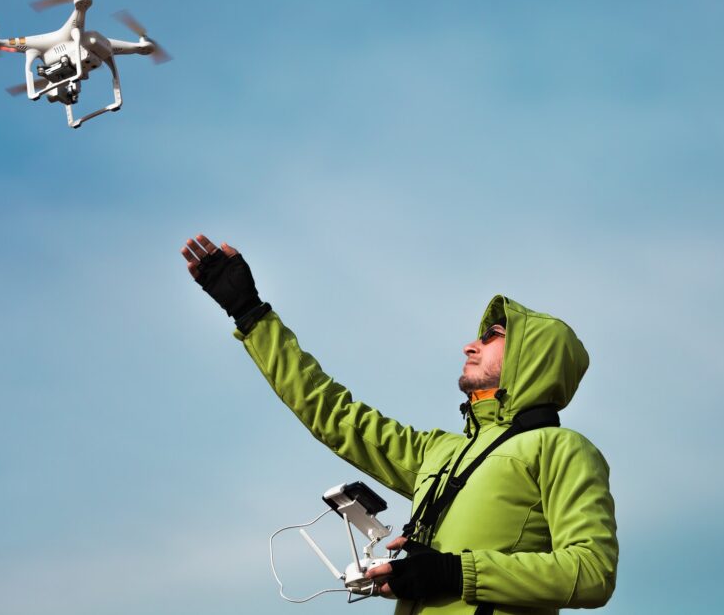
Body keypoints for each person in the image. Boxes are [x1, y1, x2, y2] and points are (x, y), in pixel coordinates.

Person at [181, 234, 618, 614]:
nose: (470, 345)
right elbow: (332, 413)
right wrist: (250, 313)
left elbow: (593, 572)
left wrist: (454, 572)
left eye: (492, 337)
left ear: (533, 357)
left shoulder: (564, 450)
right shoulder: (439, 451)